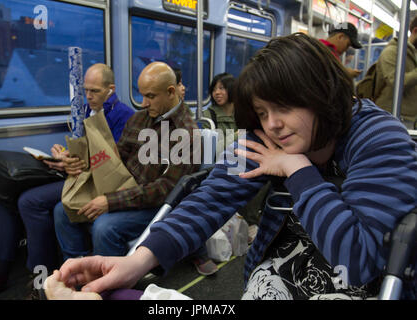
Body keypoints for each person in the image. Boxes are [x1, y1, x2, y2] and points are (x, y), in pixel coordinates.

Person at [53, 33, 416, 300]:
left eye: (285, 107)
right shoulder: (268, 136)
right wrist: (138, 261)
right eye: (261, 112)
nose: (272, 124)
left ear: (321, 95)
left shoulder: (378, 137)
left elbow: (359, 259)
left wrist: (297, 170)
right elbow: (210, 200)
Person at [0, 63, 134, 294]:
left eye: (94, 91)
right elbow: (81, 148)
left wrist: (73, 163)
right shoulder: (84, 110)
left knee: (30, 202)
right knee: (12, 194)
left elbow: (111, 162)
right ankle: (3, 270)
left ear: (110, 90)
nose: (89, 96)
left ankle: (42, 274)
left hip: (94, 181)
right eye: (86, 90)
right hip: (75, 174)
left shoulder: (124, 116)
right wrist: (62, 154)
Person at [53, 62, 200, 261]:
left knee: (104, 228)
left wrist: (110, 201)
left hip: (156, 203)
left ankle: (109, 284)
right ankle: (77, 268)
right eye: (141, 95)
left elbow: (167, 189)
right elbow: (115, 158)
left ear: (171, 92)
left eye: (150, 96)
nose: (143, 103)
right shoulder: (138, 120)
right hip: (126, 189)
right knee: (63, 210)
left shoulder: (187, 134)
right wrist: (78, 163)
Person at [374, 15, 417, 129]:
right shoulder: (393, 52)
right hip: (393, 117)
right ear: (415, 31)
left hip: (409, 118)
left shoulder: (413, 55)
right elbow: (396, 82)